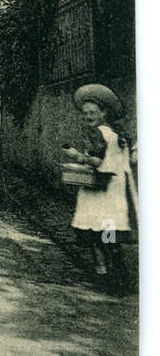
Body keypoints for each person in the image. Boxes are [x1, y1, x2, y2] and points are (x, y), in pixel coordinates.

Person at [62, 83, 137, 293]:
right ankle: (118, 278)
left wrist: (76, 156)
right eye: (85, 113)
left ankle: (105, 276)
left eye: (92, 112)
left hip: (98, 194)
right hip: (115, 194)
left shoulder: (97, 133)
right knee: (109, 235)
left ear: (103, 112)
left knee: (95, 236)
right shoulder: (117, 134)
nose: (88, 117)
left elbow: (95, 161)